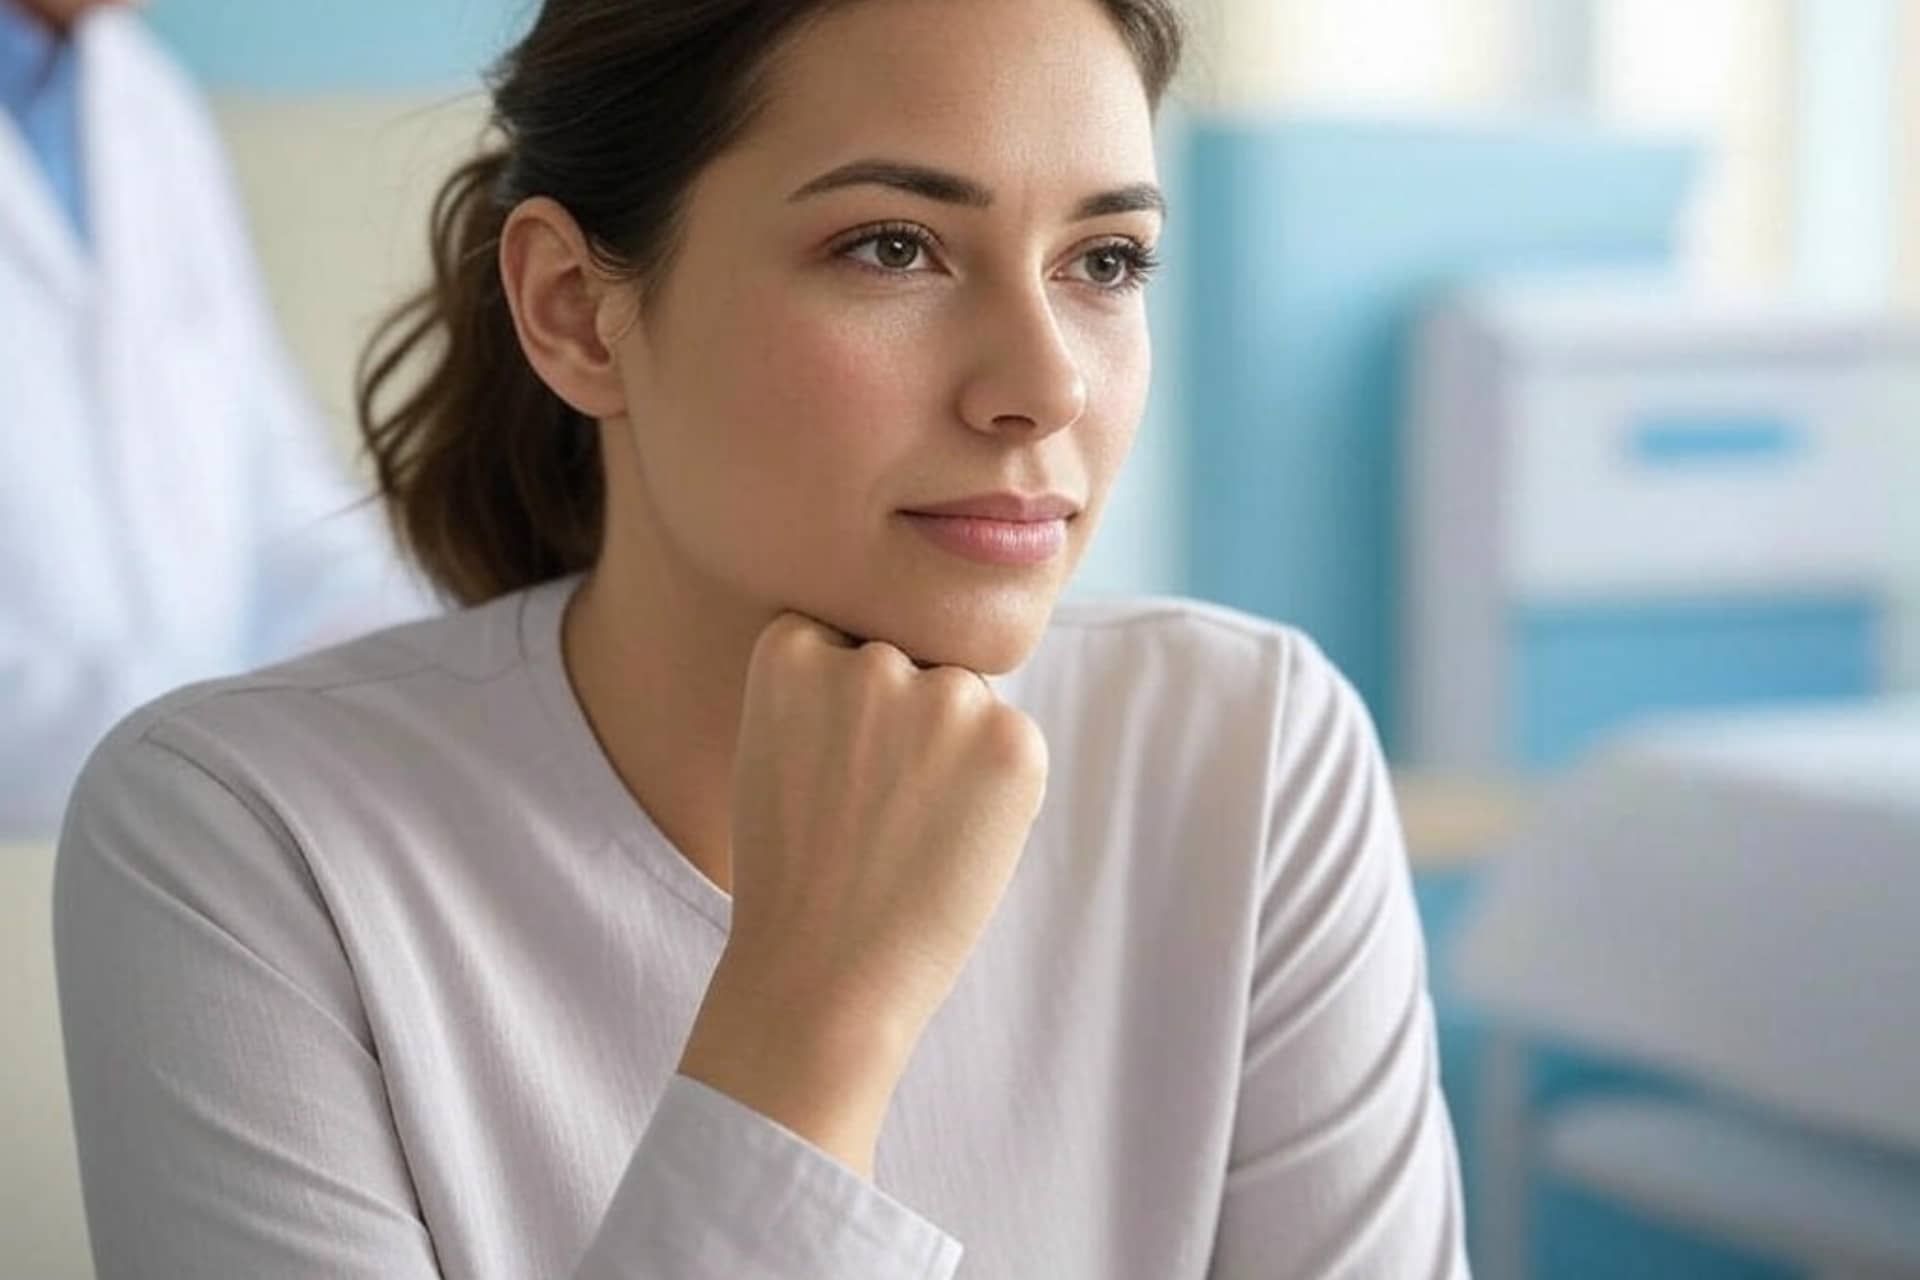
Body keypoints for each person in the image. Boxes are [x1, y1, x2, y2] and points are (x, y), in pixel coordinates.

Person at [53, 0, 1470, 1275]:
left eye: (1104, 261)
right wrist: (815, 1018)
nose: (1042, 385)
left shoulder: (1253, 750)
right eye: (894, 247)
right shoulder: (239, 839)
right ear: (575, 314)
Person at [0, 0, 431, 839]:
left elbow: (281, 498)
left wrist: (428, 662)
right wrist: (235, 734)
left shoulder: (149, 106)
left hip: (178, 813)